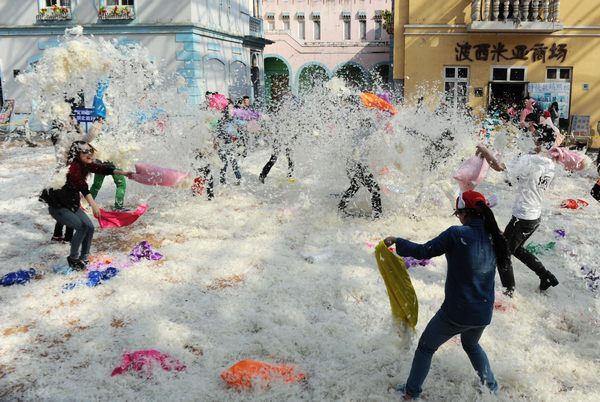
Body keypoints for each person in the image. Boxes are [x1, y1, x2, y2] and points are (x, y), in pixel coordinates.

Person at [384, 190, 505, 400]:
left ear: (464, 213)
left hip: (457, 312)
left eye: (457, 214)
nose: (457, 218)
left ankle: (411, 393)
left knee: (425, 347)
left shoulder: (457, 234)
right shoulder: (495, 236)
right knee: (471, 345)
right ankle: (491, 389)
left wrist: (397, 240)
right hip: (483, 312)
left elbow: (424, 251)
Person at [476, 142, 559, 296]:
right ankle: (546, 276)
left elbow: (498, 166)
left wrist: (484, 150)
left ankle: (509, 293)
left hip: (522, 218)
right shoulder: (550, 164)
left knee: (503, 254)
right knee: (517, 249)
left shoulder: (528, 159)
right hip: (534, 217)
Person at [40, 141, 132, 270]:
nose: (89, 154)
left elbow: (101, 169)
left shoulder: (84, 164)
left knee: (89, 227)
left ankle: (84, 257)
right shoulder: (73, 167)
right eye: (85, 152)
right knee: (82, 227)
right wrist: (94, 206)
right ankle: (73, 258)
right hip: (59, 207)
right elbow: (82, 187)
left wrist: (124, 173)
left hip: (72, 204)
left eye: (90, 151)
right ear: (77, 154)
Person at [49, 114, 102, 242]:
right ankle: (67, 237)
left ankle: (59, 235)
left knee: (65, 208)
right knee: (70, 208)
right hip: (66, 179)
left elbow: (84, 139)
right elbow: (86, 140)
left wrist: (94, 126)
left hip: (62, 179)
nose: (74, 121)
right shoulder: (65, 139)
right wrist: (96, 125)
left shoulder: (65, 138)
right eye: (71, 119)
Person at [338, 101, 383, 219]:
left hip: (352, 164)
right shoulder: (365, 132)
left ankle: (340, 209)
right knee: (375, 189)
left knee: (355, 186)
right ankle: (377, 216)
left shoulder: (357, 131)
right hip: (359, 164)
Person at [216, 100, 242, 185]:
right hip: (222, 144)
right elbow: (217, 130)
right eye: (230, 108)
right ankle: (222, 181)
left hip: (230, 144)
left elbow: (240, 124)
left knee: (233, 161)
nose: (232, 110)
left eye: (232, 108)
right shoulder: (222, 119)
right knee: (224, 163)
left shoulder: (233, 119)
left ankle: (239, 179)